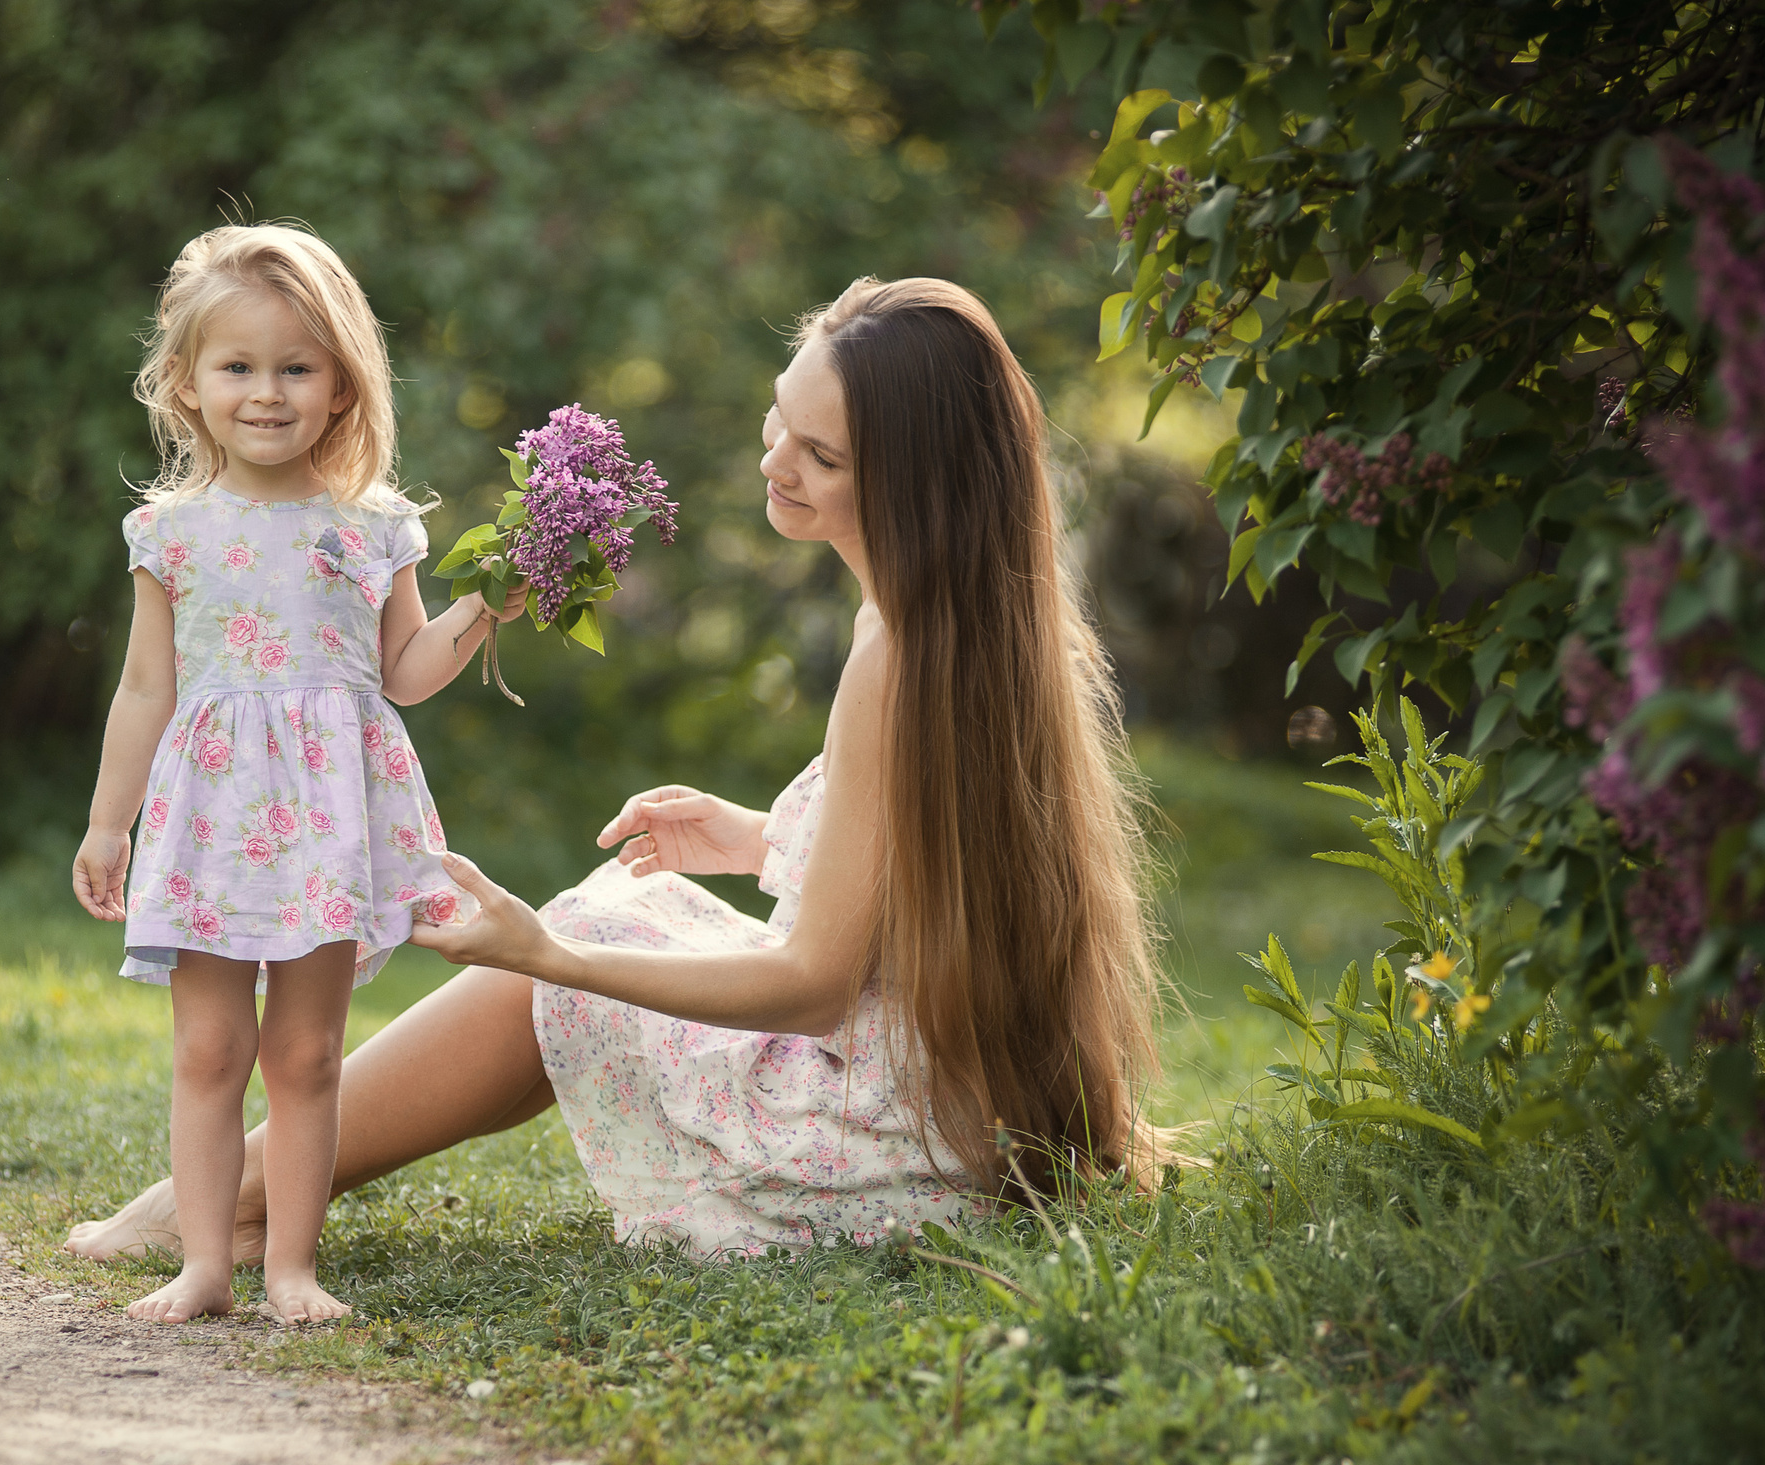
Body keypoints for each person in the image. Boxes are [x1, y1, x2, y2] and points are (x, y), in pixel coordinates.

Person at [65, 275, 1161, 1269]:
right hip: (953, 1093)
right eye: (782, 417)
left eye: (820, 457)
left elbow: (816, 985)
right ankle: (242, 1191)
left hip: (870, 1129)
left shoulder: (896, 656)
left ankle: (224, 1197)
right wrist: (756, 839)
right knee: (630, 904)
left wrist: (554, 957)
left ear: (911, 484)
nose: (775, 458)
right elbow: (928, 867)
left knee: (578, 940)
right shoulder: (969, 622)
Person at [69, 223, 507, 1323]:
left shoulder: (375, 528)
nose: (267, 393)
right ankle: (204, 1266)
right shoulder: (168, 533)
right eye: (239, 367)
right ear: (187, 384)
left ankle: (290, 1271)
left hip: (325, 818)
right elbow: (143, 688)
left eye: (296, 368)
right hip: (213, 813)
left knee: (308, 1054)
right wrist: (107, 824)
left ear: (342, 387)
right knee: (211, 1047)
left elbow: (404, 673)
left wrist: (485, 600)